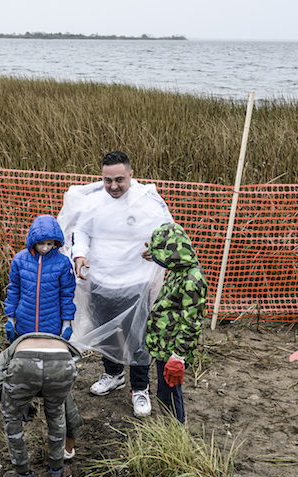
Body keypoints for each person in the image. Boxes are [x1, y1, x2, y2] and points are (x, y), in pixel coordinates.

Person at [58, 151, 173, 418]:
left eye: (119, 180)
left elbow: (167, 232)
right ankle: (113, 374)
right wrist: (80, 253)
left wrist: (155, 249)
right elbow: (82, 231)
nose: (113, 186)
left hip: (136, 282)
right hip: (100, 281)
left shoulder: (148, 202)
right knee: (107, 333)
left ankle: (140, 388)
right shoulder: (94, 202)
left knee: (137, 338)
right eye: (107, 180)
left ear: (131, 175)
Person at [3, 214, 82, 459]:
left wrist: (67, 323)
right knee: (23, 369)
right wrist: (10, 317)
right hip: (24, 325)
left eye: (50, 244)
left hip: (52, 326)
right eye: (41, 244)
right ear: (32, 241)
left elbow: (67, 294)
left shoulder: (62, 264)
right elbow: (13, 289)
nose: (46, 248)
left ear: (56, 243)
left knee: (52, 371)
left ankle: (55, 409)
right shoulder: (19, 260)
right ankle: (25, 405)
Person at [0, 332, 79, 477]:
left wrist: (19, 406)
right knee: (56, 414)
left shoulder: (11, 349)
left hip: (24, 364)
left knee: (12, 418)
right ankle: (57, 475)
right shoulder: (57, 340)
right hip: (62, 361)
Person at [144, 223, 208, 423]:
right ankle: (168, 428)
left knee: (170, 395)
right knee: (164, 393)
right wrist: (153, 251)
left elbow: (191, 322)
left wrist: (178, 357)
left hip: (173, 351)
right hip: (165, 346)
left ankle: (176, 433)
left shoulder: (192, 280)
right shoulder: (178, 268)